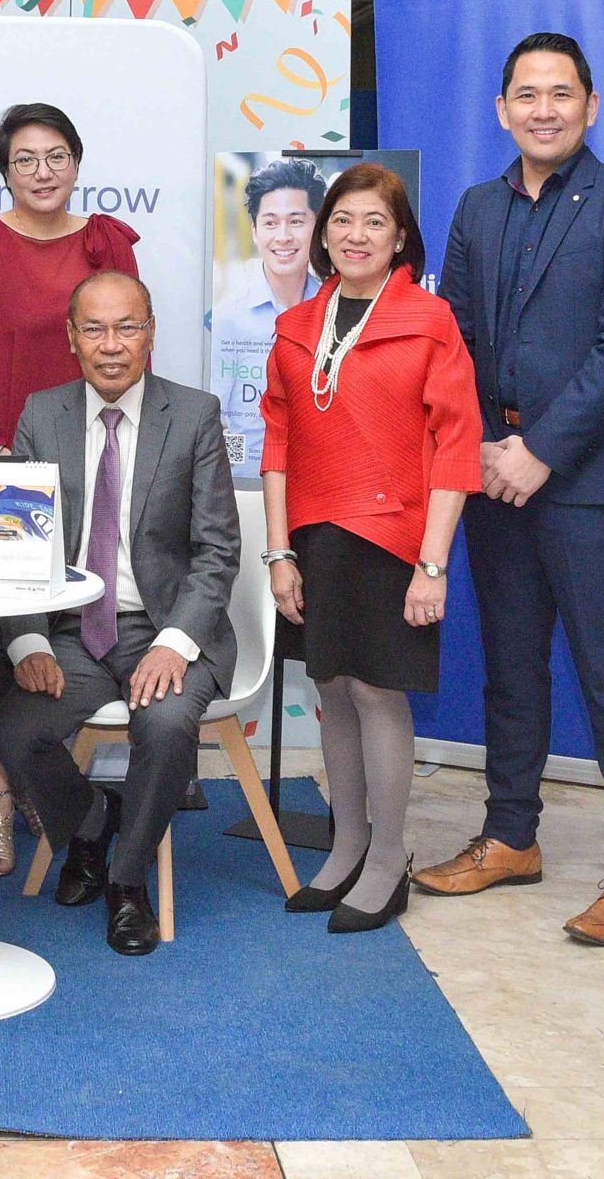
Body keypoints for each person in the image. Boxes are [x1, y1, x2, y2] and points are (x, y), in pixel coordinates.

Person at [420, 32, 604, 946]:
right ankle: (510, 835)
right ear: (501, 110)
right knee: (512, 662)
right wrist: (485, 447)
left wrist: (540, 450)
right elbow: (451, 336)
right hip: (492, 471)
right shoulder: (477, 207)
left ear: (590, 105)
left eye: (560, 93)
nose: (543, 109)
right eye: (526, 94)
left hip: (583, 479)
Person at [0, 102, 141, 874]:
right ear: (4, 171)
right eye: (25, 160)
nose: (43, 172)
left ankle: (43, 781)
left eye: (56, 156)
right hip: (4, 458)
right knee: (0, 625)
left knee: (66, 618)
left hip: (91, 450)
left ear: (77, 161)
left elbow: (125, 336)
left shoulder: (104, 241)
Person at [261, 163, 481, 933]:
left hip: (395, 539)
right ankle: (347, 844)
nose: (357, 235)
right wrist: (278, 553)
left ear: (400, 237)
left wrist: (433, 564)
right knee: (332, 687)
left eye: (375, 222)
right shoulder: (296, 325)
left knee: (378, 691)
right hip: (314, 538)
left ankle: (389, 859)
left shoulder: (430, 319)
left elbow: (457, 446)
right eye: (343, 220)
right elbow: (278, 445)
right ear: (322, 234)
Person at [0, 271, 240, 956]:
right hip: (74, 629)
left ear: (151, 333)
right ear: (71, 338)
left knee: (165, 722)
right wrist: (28, 642)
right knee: (14, 730)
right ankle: (93, 823)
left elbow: (218, 549)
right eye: (95, 329)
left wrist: (175, 642)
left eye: (127, 327)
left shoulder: (193, 414)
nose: (111, 345)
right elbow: (13, 544)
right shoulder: (42, 414)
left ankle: (127, 882)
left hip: (164, 625)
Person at [214, 155, 325, 468]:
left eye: (297, 221)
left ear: (317, 226)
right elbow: (213, 420)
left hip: (319, 482)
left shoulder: (334, 311)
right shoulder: (227, 318)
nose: (283, 236)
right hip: (247, 482)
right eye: (270, 222)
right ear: (254, 231)